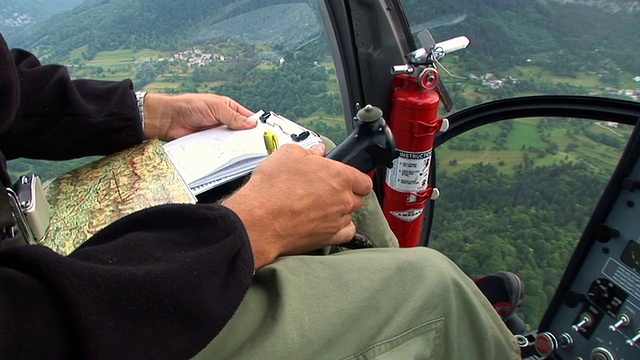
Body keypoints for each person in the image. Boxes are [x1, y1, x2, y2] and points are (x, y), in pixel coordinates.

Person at [0, 33, 521, 359]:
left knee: (331, 187)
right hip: (57, 319)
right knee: (433, 288)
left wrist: (141, 112)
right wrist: (249, 229)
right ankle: (447, 326)